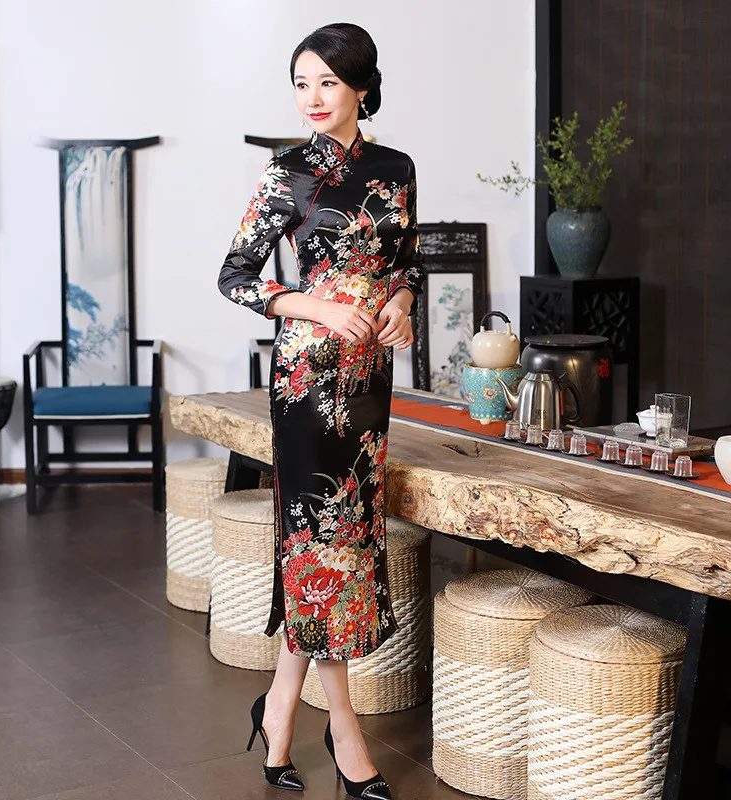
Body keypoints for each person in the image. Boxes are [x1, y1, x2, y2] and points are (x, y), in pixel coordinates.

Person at [218, 22, 425, 799]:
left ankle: (278, 708)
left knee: (350, 540)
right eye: (301, 83)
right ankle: (344, 730)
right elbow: (236, 275)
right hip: (307, 379)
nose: (311, 97)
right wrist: (315, 305)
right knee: (320, 543)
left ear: (361, 88)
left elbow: (406, 262)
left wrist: (400, 305)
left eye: (327, 83)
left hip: (369, 378)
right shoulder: (289, 172)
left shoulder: (396, 168)